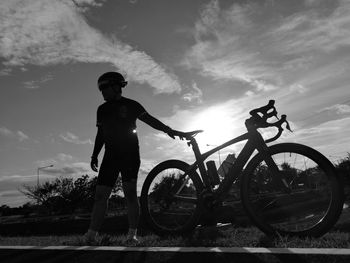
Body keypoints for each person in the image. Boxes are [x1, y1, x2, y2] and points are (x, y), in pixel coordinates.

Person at [84, 71, 177, 243]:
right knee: (100, 196)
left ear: (116, 86)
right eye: (100, 88)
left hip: (130, 155)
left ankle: (132, 234)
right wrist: (94, 155)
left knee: (130, 195)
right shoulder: (101, 109)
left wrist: (169, 130)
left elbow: (150, 120)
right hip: (110, 156)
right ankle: (91, 234)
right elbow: (100, 134)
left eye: (104, 87)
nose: (102, 92)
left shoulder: (132, 105)